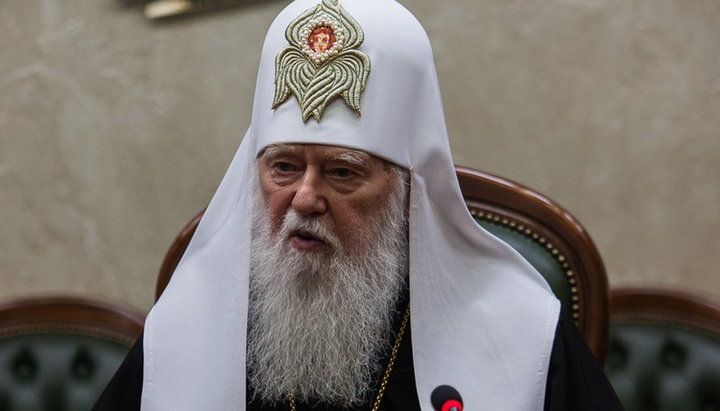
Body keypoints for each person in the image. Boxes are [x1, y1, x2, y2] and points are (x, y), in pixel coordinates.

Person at [94, 0, 623, 410]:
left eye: (342, 172)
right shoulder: (191, 328)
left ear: (407, 193)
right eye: (283, 167)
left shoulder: (519, 334)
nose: (304, 198)